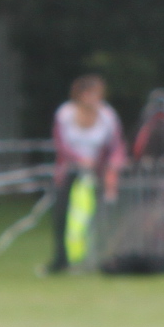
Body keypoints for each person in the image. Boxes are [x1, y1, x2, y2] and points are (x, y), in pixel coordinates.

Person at [43, 69, 121, 274]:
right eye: (91, 93)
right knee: (63, 217)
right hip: (69, 172)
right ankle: (62, 259)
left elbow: (115, 145)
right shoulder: (65, 114)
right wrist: (80, 160)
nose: (95, 98)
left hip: (97, 173)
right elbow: (61, 145)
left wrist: (112, 165)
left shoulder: (107, 115)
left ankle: (102, 258)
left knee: (101, 215)